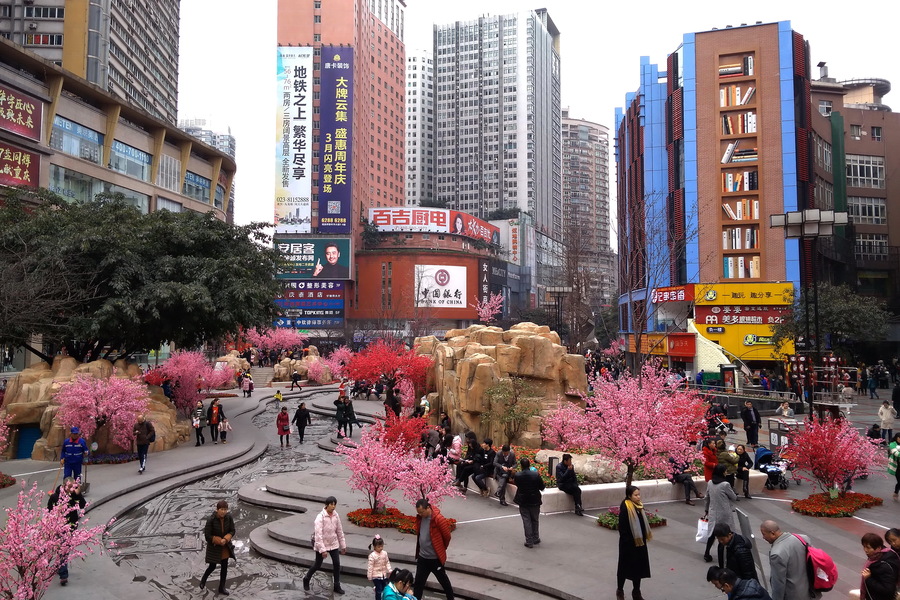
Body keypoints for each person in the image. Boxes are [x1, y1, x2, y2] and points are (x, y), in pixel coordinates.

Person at [759, 520, 822, 600]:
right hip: (812, 592)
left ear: (772, 533)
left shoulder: (777, 553)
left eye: (764, 534)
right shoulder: (803, 538)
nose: (763, 537)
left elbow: (778, 584)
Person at [303, 496, 347, 594]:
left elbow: (339, 531)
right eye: (331, 504)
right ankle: (306, 579)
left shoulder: (336, 515)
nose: (333, 506)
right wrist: (323, 550)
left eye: (335, 504)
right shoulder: (320, 517)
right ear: (326, 505)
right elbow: (318, 535)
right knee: (317, 565)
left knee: (337, 564)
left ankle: (337, 585)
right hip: (322, 544)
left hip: (333, 544)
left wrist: (343, 545)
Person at [47, 478, 86, 586]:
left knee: (62, 548)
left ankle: (59, 567)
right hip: (59, 526)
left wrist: (78, 494)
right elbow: (49, 509)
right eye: (70, 486)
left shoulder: (74, 495)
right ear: (64, 485)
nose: (72, 488)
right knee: (64, 550)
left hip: (71, 526)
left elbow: (83, 505)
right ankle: (63, 574)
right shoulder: (55, 496)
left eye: (74, 486)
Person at [413, 498, 454, 600]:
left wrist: (441, 549)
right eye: (419, 513)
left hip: (435, 559)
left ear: (428, 508)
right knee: (418, 584)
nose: (420, 514)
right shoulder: (420, 518)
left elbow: (447, 536)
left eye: (422, 512)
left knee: (444, 581)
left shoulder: (438, 519)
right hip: (422, 557)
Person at [616, 485, 651, 600]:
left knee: (638, 568)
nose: (638, 497)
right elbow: (623, 528)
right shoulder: (626, 507)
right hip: (628, 545)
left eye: (639, 494)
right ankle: (620, 590)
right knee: (624, 567)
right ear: (629, 496)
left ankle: (636, 592)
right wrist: (628, 543)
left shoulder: (639, 506)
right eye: (636, 495)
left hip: (640, 543)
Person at [199, 500, 236, 596]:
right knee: (212, 566)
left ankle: (222, 587)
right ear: (217, 510)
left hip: (225, 546)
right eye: (221, 509)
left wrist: (226, 539)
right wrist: (219, 541)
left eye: (225, 509)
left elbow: (232, 530)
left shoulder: (229, 517)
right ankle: (203, 579)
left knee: (224, 567)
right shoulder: (211, 519)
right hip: (215, 547)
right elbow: (207, 536)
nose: (223, 512)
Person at [703, 465, 737, 562]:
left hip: (713, 512)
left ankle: (707, 553)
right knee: (726, 532)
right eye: (725, 471)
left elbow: (707, 498)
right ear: (722, 472)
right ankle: (728, 553)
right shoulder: (725, 484)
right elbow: (733, 497)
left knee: (712, 533)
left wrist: (706, 510)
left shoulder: (710, 482)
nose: (726, 473)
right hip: (724, 512)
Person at [856, 532, 900, 600]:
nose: (865, 550)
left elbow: (888, 590)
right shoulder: (880, 556)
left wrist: (868, 579)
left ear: (878, 548)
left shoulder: (883, 565)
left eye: (868, 547)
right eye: (864, 546)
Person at [513, 457, 545, 548]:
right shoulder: (535, 475)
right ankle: (536, 538)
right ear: (529, 465)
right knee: (535, 519)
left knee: (526, 520)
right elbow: (542, 487)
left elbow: (517, 484)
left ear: (521, 466)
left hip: (523, 500)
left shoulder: (518, 475)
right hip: (535, 499)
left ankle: (529, 541)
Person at [367, 535, 392, 600]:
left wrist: (389, 570)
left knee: (384, 587)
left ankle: (378, 591)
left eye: (382, 546)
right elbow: (370, 567)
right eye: (379, 547)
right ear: (374, 547)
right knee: (379, 590)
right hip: (376, 575)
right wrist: (369, 576)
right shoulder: (372, 556)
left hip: (383, 574)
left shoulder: (384, 553)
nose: (381, 548)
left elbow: (387, 562)